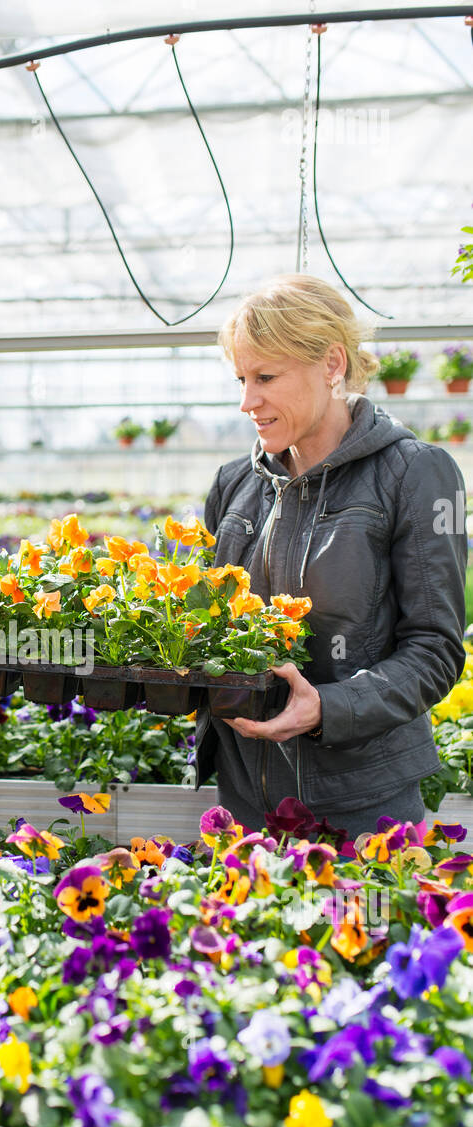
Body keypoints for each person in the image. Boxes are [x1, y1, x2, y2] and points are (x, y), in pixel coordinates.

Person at [193, 274, 468, 842]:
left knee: (352, 930)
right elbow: (210, 630)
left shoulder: (413, 473)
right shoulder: (234, 486)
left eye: (266, 377)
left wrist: (329, 708)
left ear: (332, 364)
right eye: (243, 378)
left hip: (362, 804)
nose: (248, 401)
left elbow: (436, 648)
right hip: (243, 800)